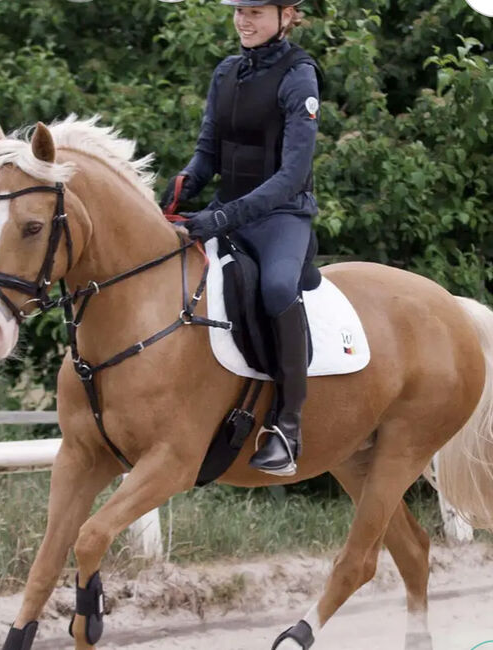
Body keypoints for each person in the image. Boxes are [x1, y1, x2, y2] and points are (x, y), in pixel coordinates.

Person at [160, 0, 322, 477]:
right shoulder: (226, 71)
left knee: (275, 288)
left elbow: (292, 175)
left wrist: (224, 216)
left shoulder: (300, 77)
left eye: (255, 11)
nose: (244, 20)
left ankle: (287, 426)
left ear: (286, 16)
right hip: (227, 211)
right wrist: (177, 190)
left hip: (281, 216)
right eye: (239, 11)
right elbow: (207, 153)